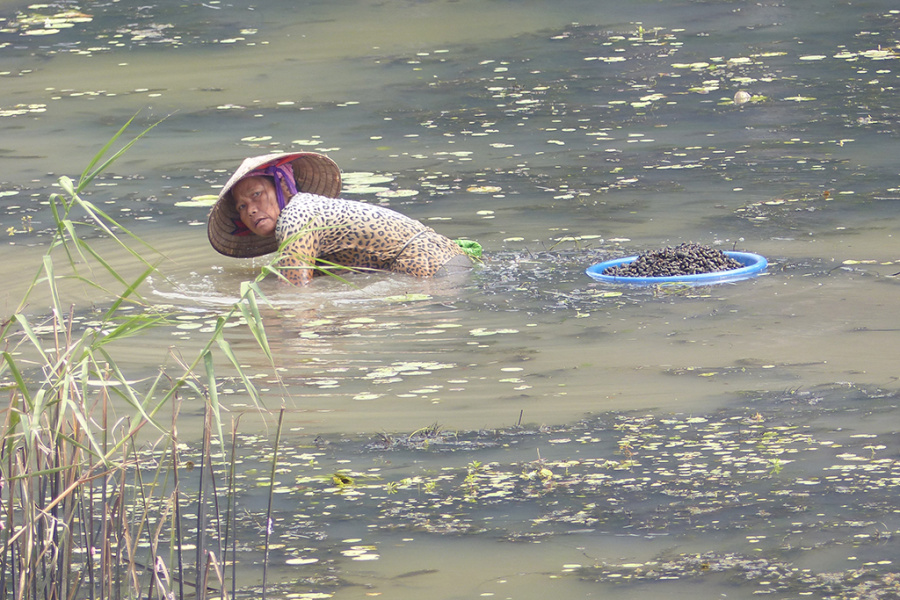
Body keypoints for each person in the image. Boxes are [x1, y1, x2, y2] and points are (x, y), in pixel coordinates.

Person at [207, 152, 474, 285]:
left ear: (283, 186)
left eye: (256, 194)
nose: (251, 210)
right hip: (445, 259)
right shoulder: (306, 213)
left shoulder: (297, 216)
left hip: (432, 267)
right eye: (242, 206)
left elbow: (294, 294)